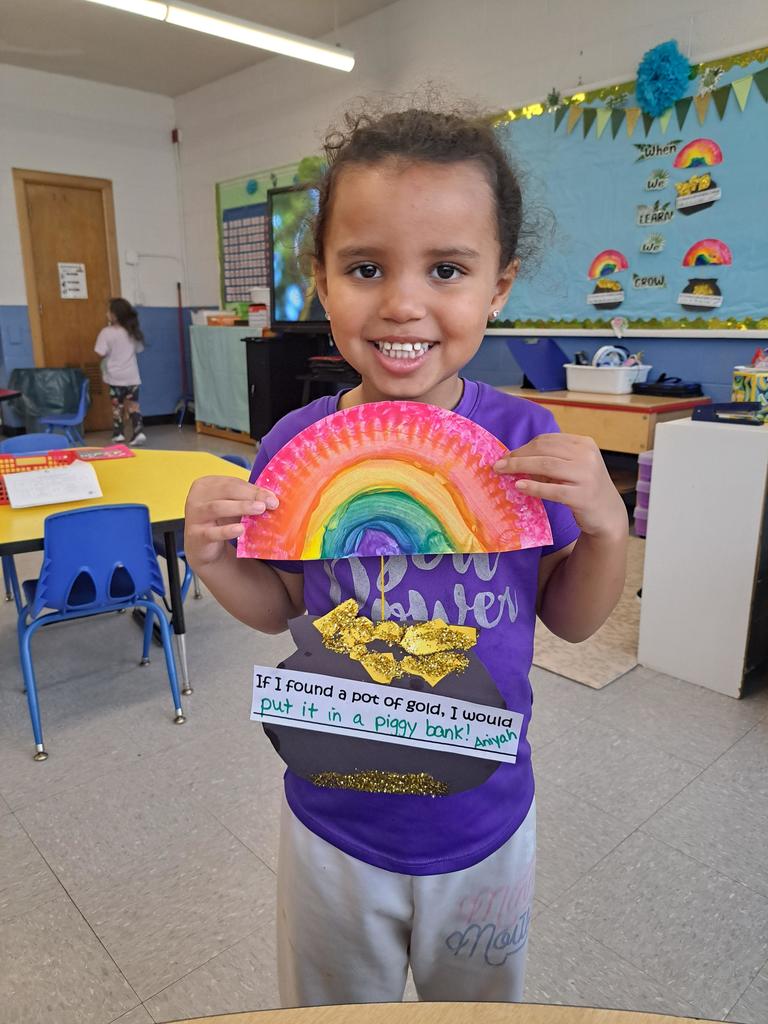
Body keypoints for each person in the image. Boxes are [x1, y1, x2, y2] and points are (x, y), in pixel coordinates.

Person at [184, 104, 628, 1007]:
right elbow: (281, 607)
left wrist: (609, 528)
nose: (402, 303)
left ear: (498, 287)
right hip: (333, 817)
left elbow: (574, 622)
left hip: (487, 812)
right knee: (337, 1007)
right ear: (321, 280)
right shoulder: (290, 448)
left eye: (448, 269)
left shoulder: (523, 440)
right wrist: (213, 559)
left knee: (477, 1006)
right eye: (365, 267)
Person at [94, 297, 146, 445]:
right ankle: (138, 432)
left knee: (117, 406)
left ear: (115, 315)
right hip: (132, 376)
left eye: (108, 311)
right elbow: (139, 349)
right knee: (133, 405)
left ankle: (119, 434)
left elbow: (100, 352)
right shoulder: (132, 332)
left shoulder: (106, 332)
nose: (106, 314)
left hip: (115, 377)